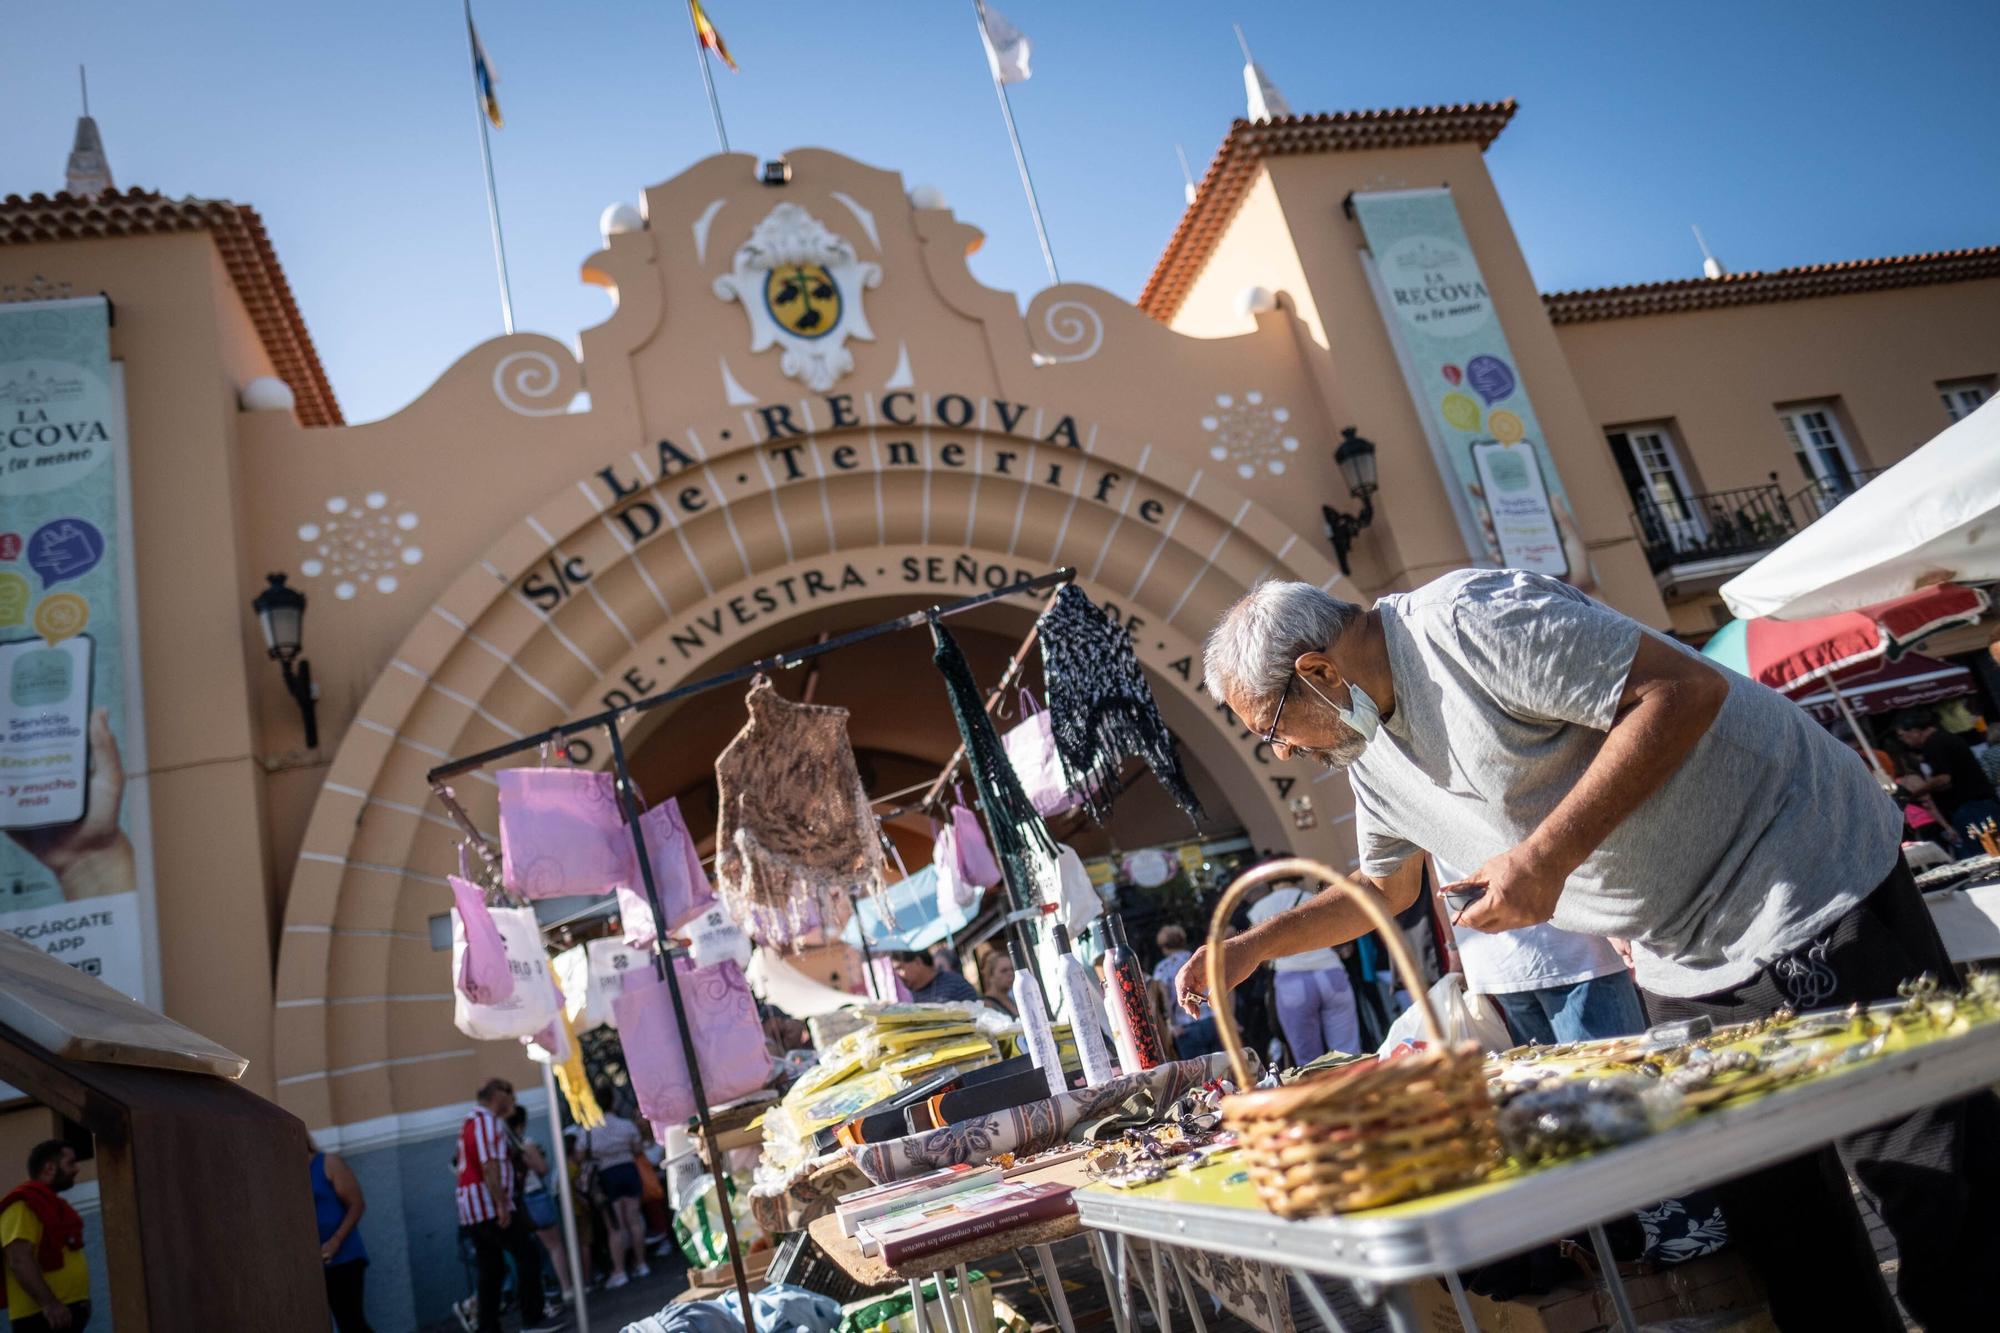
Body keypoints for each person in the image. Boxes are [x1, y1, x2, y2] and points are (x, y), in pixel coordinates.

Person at [1181, 573, 2000, 1331]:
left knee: (1928, 1170)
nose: (1283, 752)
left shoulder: (1469, 622)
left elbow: (1683, 689)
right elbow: (1386, 888)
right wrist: (1253, 945)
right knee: (1777, 1214)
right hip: (1682, 948)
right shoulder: (1368, 756)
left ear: (1318, 671)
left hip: (1801, 871)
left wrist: (1542, 861)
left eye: (1273, 728)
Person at [457, 1079, 564, 1333]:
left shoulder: (473, 1121)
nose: (513, 1100)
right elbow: (489, 1164)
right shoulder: (485, 1121)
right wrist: (501, 1204)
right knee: (527, 1254)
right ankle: (533, 1319)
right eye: (510, 1094)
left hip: (476, 1207)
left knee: (491, 1267)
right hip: (488, 1205)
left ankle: (488, 1326)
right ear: (496, 1094)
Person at [1246, 880, 1361, 1062]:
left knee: (1308, 1059)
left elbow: (1259, 955)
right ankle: (1362, 1088)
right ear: (1298, 878)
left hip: (1292, 981)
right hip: (1331, 972)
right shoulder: (1313, 898)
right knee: (1348, 1051)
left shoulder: (1259, 908)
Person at [1, 1141, 88, 1332]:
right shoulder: (22, 1206)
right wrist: (50, 1304)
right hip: (43, 1318)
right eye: (71, 1163)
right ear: (50, 1168)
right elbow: (18, 1259)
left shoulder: (52, 1205)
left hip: (60, 1315)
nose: (77, 1169)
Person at [1893, 707, 2000, 843]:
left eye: (1902, 735)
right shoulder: (1944, 739)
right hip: (1976, 804)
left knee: (1987, 847)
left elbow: (1943, 778)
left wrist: (1914, 794)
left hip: (1971, 806)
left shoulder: (1934, 743)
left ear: (1914, 731)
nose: (1903, 740)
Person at [577, 1102, 649, 1289]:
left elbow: (579, 1155)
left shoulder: (589, 1129)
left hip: (607, 1175)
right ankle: (641, 1263)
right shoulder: (625, 1125)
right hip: (628, 1170)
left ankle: (620, 1270)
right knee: (634, 1219)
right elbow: (637, 1149)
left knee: (615, 1226)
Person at [506, 1106, 572, 1306]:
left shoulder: (502, 1148)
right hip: (534, 1197)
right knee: (555, 1246)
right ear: (521, 1124)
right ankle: (567, 1288)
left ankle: (541, 1295)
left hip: (516, 1203)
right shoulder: (525, 1145)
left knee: (529, 1252)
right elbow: (542, 1169)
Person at [309, 1142, 371, 1332]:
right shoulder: (285, 1173)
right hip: (315, 1264)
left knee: (352, 1322)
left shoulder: (327, 1163)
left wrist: (335, 1241)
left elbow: (357, 1204)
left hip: (344, 1257)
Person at [1150, 925, 1219, 1056]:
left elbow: (1164, 1000)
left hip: (1185, 1028)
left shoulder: (1162, 969)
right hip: (1213, 1021)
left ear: (1164, 947)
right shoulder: (1198, 959)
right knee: (1226, 1069)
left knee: (1200, 1074)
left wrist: (1171, 1025)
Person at [890, 949, 980, 1004]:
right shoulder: (907, 997)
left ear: (918, 962)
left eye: (899, 968)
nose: (897, 975)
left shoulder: (955, 984)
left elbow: (978, 1018)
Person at [970, 938, 1018, 1017]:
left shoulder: (1012, 998)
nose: (1010, 974)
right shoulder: (986, 1004)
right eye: (1004, 971)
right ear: (991, 976)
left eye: (1012, 969)